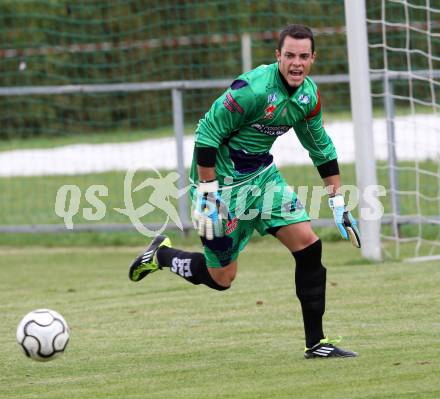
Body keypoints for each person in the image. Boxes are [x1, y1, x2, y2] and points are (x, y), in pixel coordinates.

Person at [128, 24, 361, 359]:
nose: (297, 63)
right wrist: (207, 193)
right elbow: (207, 132)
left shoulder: (308, 96)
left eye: (304, 56)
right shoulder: (251, 90)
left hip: (263, 179)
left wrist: (337, 201)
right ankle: (162, 256)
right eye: (290, 55)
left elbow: (321, 148)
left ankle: (317, 344)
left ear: (313, 58)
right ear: (278, 55)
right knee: (221, 278)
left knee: (309, 245)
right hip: (220, 188)